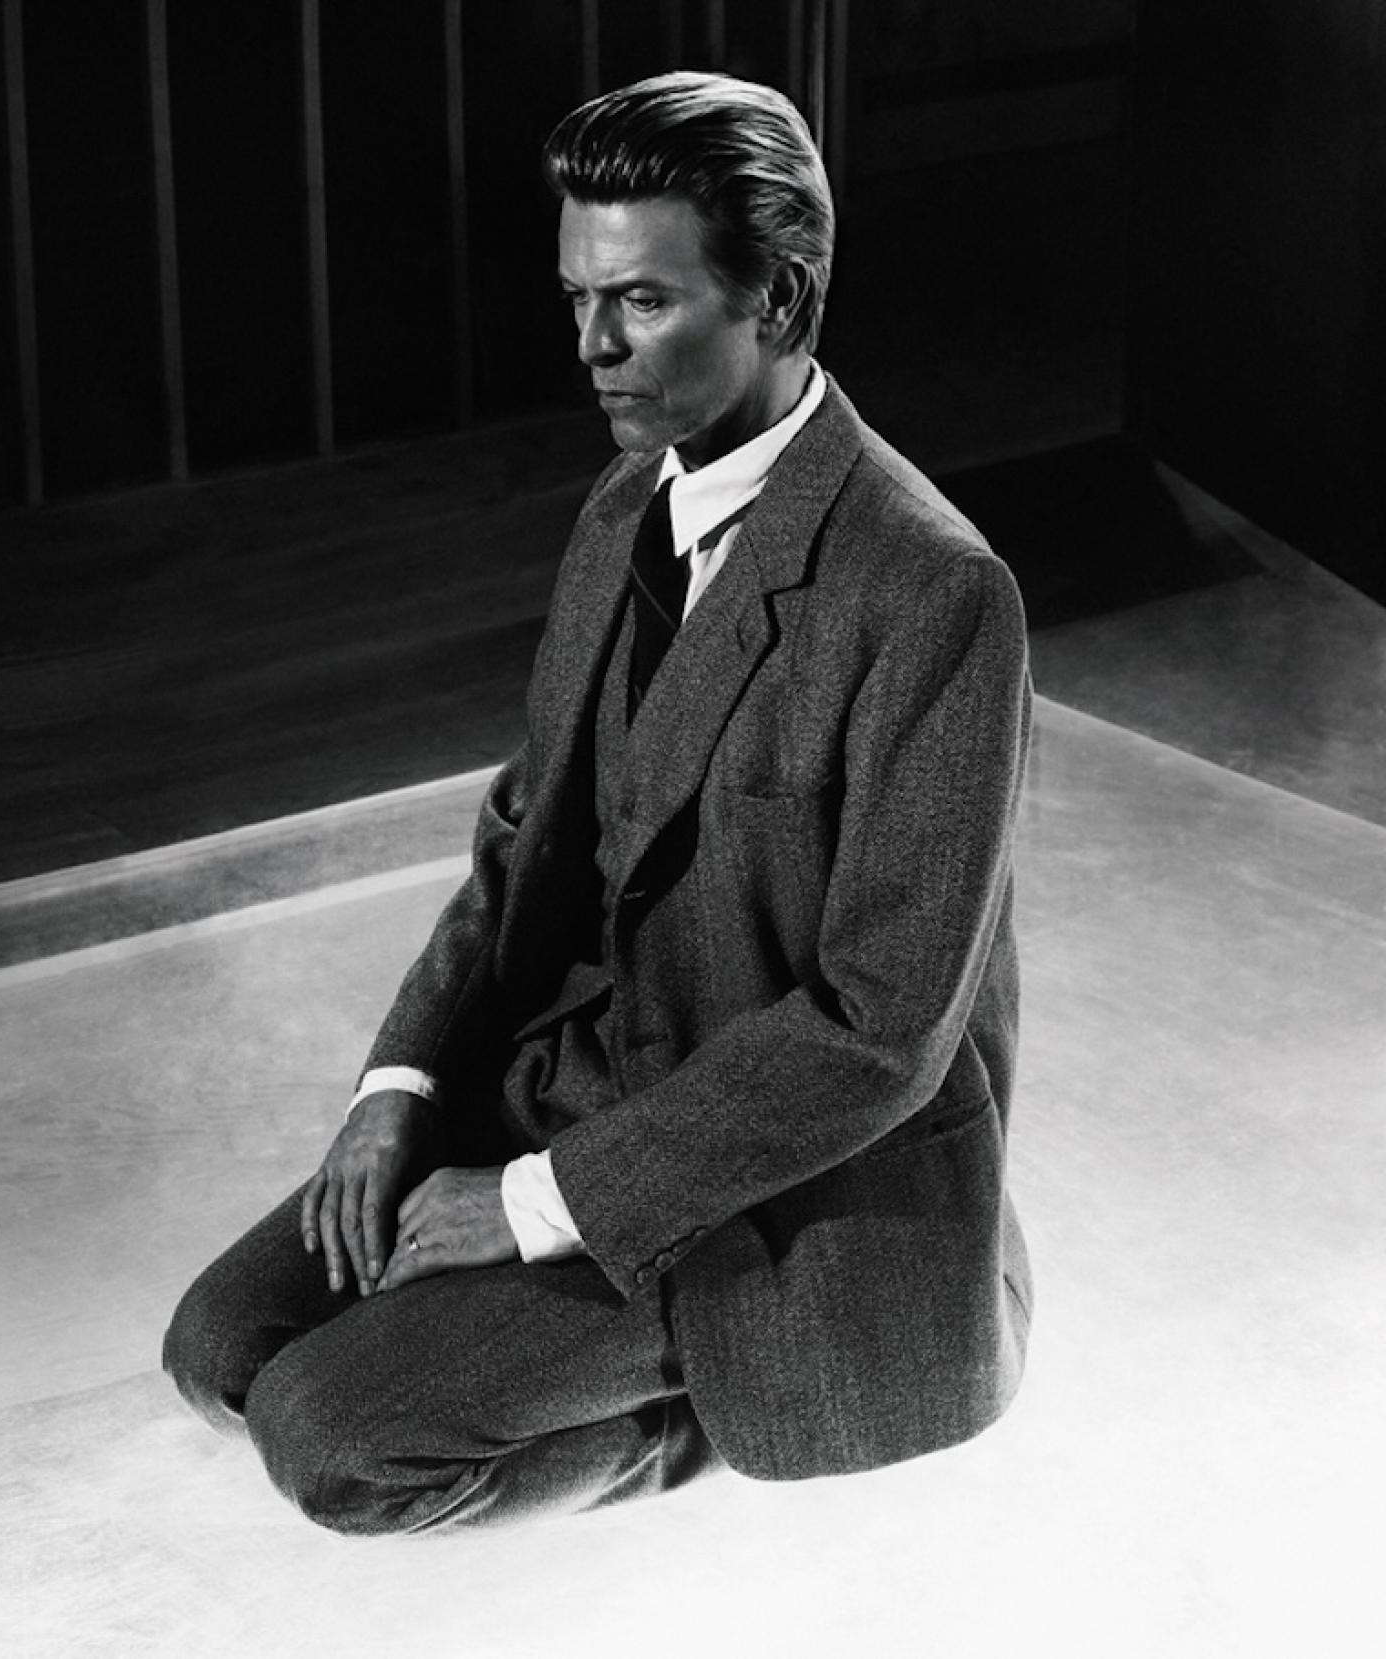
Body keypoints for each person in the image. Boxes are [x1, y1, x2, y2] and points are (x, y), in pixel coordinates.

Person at [164, 69, 1034, 1535]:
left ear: (779, 300)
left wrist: (528, 1204)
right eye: (577, 297)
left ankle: (749, 1395)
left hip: (774, 1178)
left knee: (333, 1445)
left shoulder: (939, 592)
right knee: (221, 1351)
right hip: (573, 1080)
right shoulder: (627, 501)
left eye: (639, 301)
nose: (590, 347)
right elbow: (520, 850)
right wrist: (399, 1092)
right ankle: (534, 1331)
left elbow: (879, 1032)